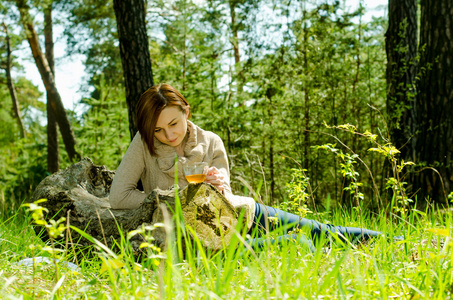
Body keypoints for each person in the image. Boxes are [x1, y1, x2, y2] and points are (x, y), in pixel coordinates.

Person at [109, 83, 385, 253]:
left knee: (319, 230)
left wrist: (218, 186)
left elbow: (226, 192)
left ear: (186, 112)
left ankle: (392, 241)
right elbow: (118, 196)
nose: (168, 135)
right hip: (199, 234)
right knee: (295, 243)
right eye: (158, 129)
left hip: (239, 213)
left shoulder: (211, 141)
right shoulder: (143, 145)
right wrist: (171, 199)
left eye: (173, 124)